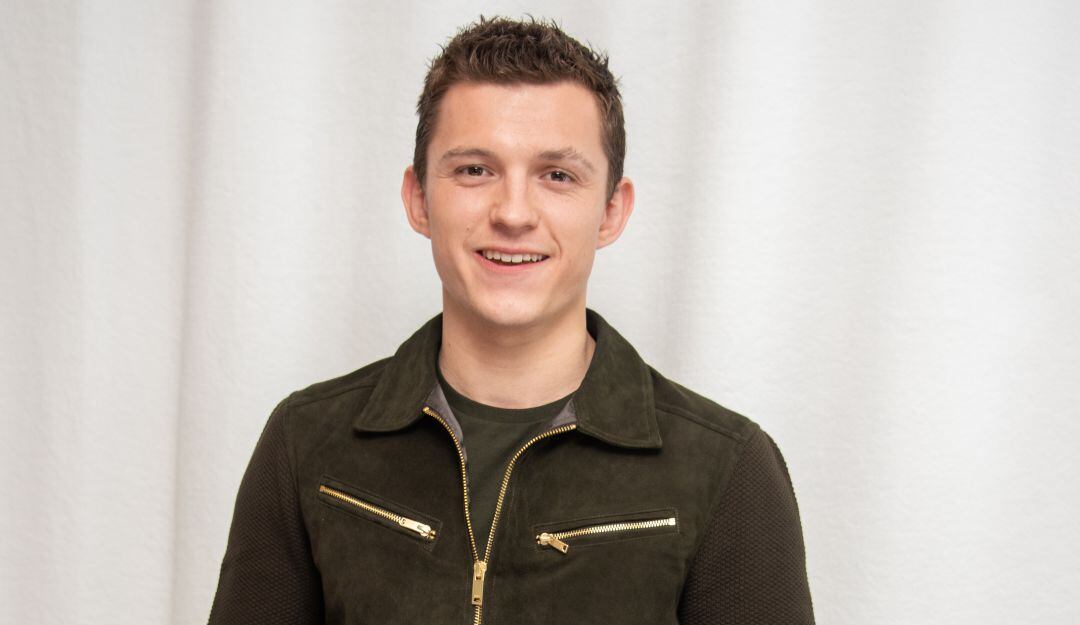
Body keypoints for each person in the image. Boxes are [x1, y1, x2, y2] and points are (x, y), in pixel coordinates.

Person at [208, 16, 814, 625]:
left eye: (557, 175)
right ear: (419, 199)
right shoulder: (305, 442)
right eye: (475, 169)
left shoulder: (727, 468)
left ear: (611, 211)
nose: (514, 213)